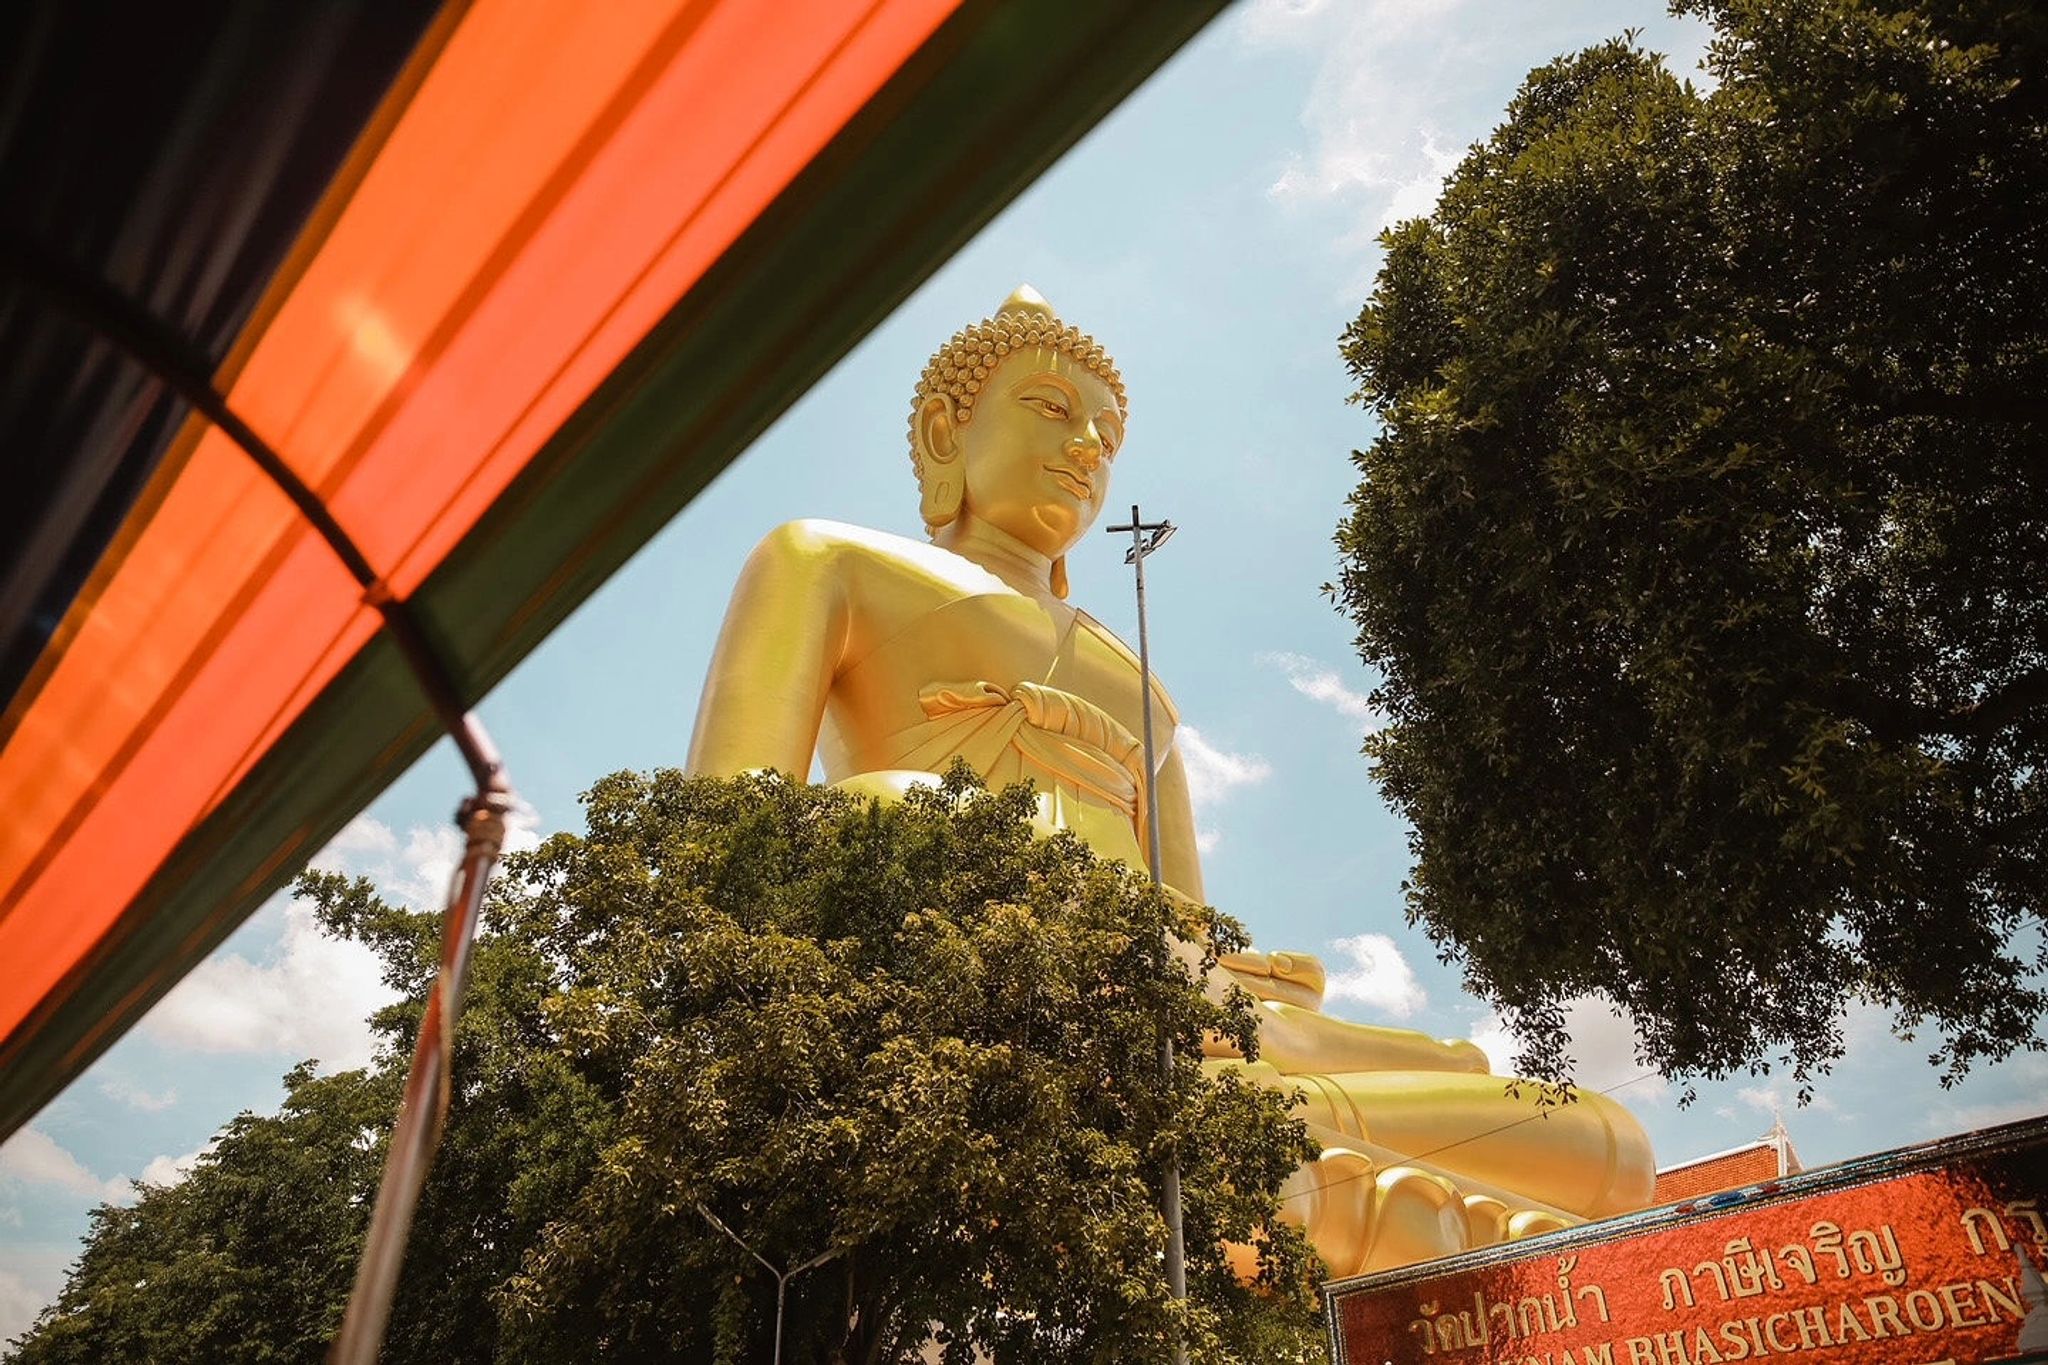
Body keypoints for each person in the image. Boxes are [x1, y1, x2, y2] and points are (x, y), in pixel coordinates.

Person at [687, 286, 1654, 1275]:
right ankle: (1229, 1157)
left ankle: (1226, 1140)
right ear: (945, 432)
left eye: (1106, 438)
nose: (1087, 453)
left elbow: (1186, 928)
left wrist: (1233, 979)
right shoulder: (832, 562)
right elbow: (723, 843)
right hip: (957, 993)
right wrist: (907, 826)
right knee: (912, 822)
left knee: (1605, 1140)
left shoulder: (1139, 681)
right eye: (1053, 411)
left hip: (1162, 1019)